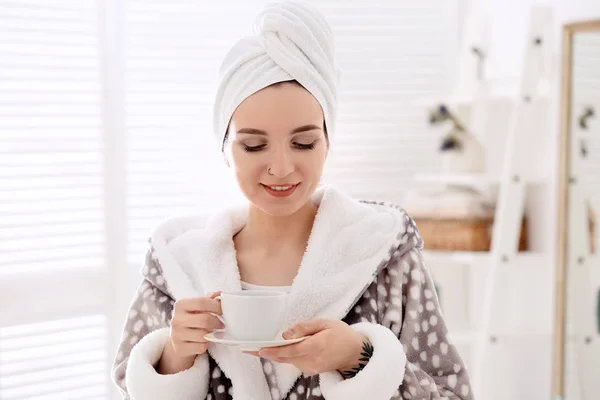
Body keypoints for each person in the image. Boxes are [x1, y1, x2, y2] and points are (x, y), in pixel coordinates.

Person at [111, 2, 473, 399]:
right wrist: (174, 356)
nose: (281, 167)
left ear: (328, 142)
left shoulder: (384, 256)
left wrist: (359, 358)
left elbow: (452, 394)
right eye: (253, 145)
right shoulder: (177, 266)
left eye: (303, 143)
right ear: (225, 150)